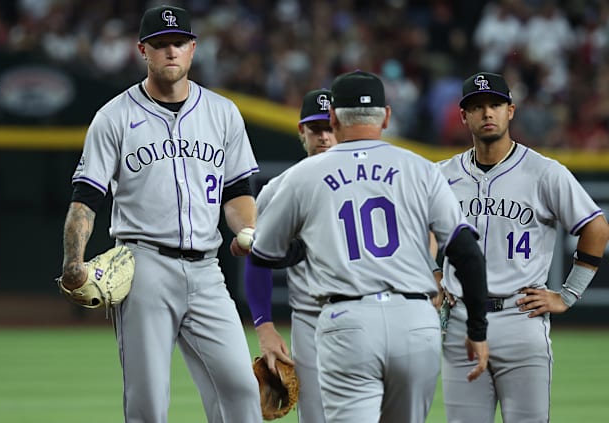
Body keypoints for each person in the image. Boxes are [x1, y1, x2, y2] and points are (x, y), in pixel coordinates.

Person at [58, 5, 261, 422]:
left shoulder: (222, 113)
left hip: (208, 271)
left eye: (179, 43)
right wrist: (73, 260)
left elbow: (238, 193)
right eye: (160, 44)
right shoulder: (113, 117)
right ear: (142, 51)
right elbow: (86, 198)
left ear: (193, 48)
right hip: (144, 266)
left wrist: (247, 230)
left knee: (242, 388)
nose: (171, 51)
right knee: (148, 403)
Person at [250, 70, 490, 423]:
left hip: (346, 321)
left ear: (334, 117)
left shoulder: (302, 177)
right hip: (415, 320)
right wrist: (477, 330)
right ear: (387, 116)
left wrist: (264, 323)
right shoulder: (422, 169)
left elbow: (260, 258)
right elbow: (467, 253)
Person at [437, 71, 609, 423]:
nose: (487, 113)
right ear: (463, 116)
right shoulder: (441, 175)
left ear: (510, 111)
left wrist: (568, 294)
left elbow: (596, 228)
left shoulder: (544, 172)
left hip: (521, 317)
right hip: (462, 323)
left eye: (495, 105)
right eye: (478, 106)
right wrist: (434, 276)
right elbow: (415, 232)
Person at [244, 88, 336, 423]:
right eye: (316, 129)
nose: (324, 136)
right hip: (309, 319)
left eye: (330, 127)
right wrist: (263, 325)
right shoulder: (279, 188)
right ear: (302, 132)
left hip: (364, 310)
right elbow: (258, 263)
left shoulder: (366, 182)